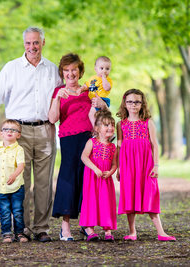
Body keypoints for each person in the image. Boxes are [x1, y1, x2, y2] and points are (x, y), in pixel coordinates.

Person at [0, 27, 62, 242]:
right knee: (21, 182)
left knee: (44, 182)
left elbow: (62, 102)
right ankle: (23, 229)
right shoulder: (11, 68)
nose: (32, 47)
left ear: (43, 43)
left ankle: (41, 228)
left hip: (46, 129)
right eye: (28, 43)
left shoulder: (53, 70)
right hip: (18, 132)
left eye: (36, 43)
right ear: (24, 45)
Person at [48, 53, 108, 241]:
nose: (70, 73)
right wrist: (58, 98)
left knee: (88, 181)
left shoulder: (89, 90)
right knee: (68, 179)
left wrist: (102, 105)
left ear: (80, 71)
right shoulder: (58, 91)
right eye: (66, 70)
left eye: (74, 69)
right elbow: (52, 119)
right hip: (69, 139)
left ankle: (87, 225)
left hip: (89, 139)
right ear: (62, 73)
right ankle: (65, 227)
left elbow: (103, 115)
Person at [116, 88, 176, 242]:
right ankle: (132, 232)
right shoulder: (121, 124)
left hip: (145, 164)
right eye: (129, 101)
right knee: (129, 194)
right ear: (125, 103)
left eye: (137, 102)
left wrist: (156, 165)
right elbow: (119, 147)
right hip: (128, 164)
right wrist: (119, 168)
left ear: (142, 104)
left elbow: (155, 145)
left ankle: (161, 232)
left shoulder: (148, 122)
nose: (133, 105)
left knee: (150, 192)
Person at [0, 119, 28, 243]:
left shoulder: (19, 149)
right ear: (1, 133)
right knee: (4, 211)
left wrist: (14, 175)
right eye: (6, 129)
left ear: (18, 135)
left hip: (16, 186)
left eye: (13, 130)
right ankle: (7, 234)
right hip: (0, 186)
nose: (9, 131)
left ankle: (19, 233)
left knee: (18, 211)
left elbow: (21, 165)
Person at [79, 110, 117, 242]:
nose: (110, 127)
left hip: (105, 180)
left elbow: (114, 164)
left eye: (112, 125)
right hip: (92, 178)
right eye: (106, 125)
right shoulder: (92, 142)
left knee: (106, 202)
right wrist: (95, 169)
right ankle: (89, 229)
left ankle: (107, 229)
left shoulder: (113, 147)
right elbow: (84, 157)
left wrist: (111, 172)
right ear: (97, 128)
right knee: (91, 201)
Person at [82, 56, 113, 127]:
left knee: (91, 114)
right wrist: (82, 88)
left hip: (102, 99)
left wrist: (104, 78)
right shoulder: (92, 78)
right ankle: (104, 129)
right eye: (101, 68)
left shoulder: (108, 80)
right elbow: (87, 85)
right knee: (99, 117)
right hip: (94, 100)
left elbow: (107, 88)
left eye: (107, 69)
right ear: (95, 69)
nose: (104, 71)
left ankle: (95, 128)